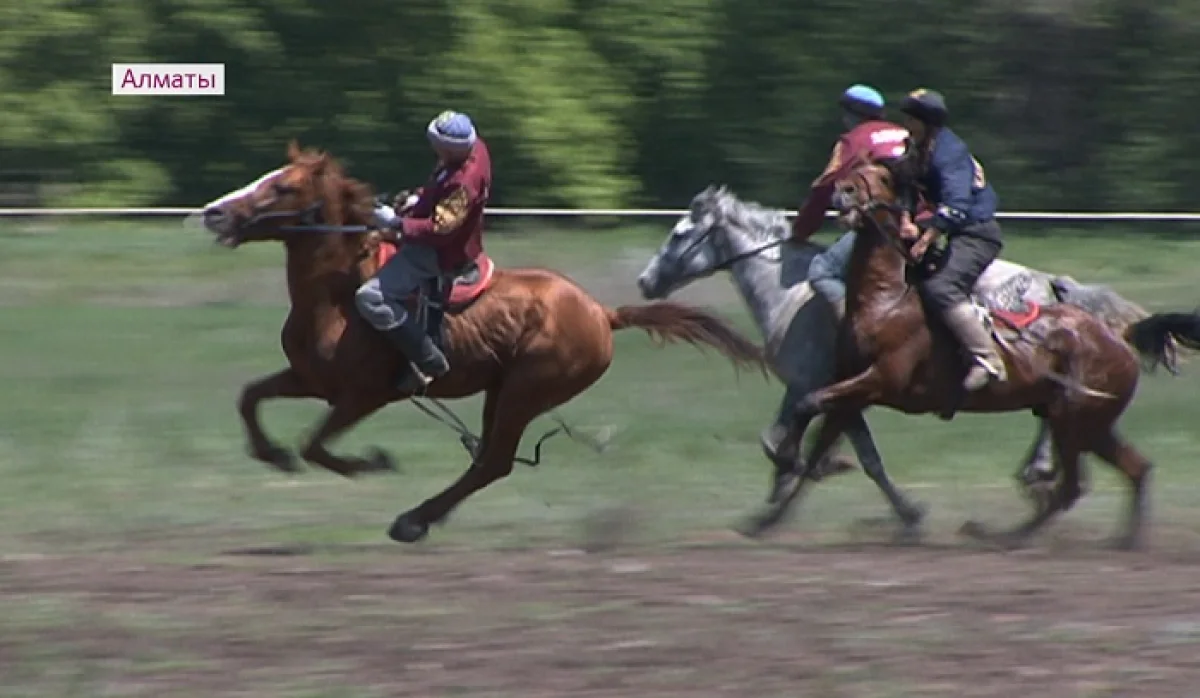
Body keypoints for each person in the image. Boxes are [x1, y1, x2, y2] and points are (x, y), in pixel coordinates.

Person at [354, 110, 492, 394]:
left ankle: (428, 359)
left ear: (451, 148)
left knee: (370, 298)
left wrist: (395, 222)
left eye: (437, 144)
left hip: (440, 253)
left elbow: (440, 230)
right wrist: (421, 196)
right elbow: (442, 183)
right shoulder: (474, 147)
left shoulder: (463, 183)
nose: (433, 149)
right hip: (445, 232)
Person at [894, 88, 1006, 392]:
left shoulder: (950, 152)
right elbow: (904, 184)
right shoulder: (916, 146)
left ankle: (988, 360)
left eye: (911, 118)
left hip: (977, 234)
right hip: (953, 231)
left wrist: (926, 238)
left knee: (941, 287)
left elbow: (956, 205)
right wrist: (905, 219)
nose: (905, 123)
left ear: (926, 122)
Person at [790, 84, 910, 322]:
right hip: (922, 223)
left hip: (885, 227)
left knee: (822, 271)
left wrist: (802, 230)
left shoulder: (853, 141)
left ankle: (853, 332)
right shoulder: (904, 133)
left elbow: (824, 187)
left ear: (851, 114)